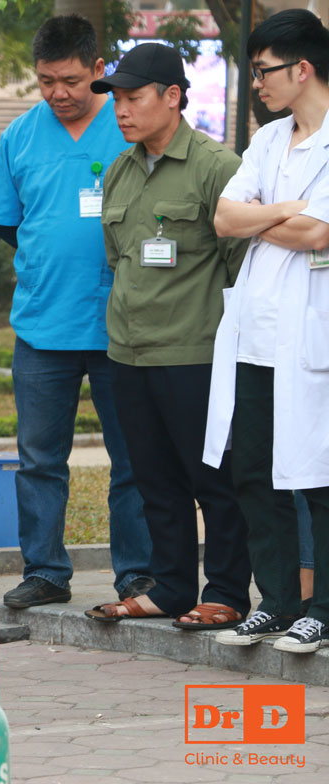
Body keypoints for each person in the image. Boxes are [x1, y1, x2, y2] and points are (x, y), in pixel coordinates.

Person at [0, 14, 153, 609]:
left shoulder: (129, 128)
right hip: (41, 328)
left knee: (132, 459)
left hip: (121, 326)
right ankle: (46, 572)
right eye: (47, 80)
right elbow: (5, 223)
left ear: (99, 71)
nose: (59, 92)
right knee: (39, 460)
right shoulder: (21, 136)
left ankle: (137, 574)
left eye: (72, 80)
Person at [84, 43, 250, 627]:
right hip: (128, 353)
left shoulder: (216, 166)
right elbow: (119, 258)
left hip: (195, 353)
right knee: (153, 479)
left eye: (133, 98)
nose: (121, 110)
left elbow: (241, 265)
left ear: (173, 97)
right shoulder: (122, 170)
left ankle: (228, 591)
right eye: (117, 101)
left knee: (214, 480)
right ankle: (173, 587)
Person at [206, 8, 329, 653]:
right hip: (255, 333)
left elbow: (321, 235)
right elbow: (225, 217)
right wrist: (282, 210)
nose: (257, 83)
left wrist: (264, 218)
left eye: (264, 71)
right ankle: (278, 601)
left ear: (301, 68)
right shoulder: (268, 140)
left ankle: (324, 608)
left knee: (317, 475)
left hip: (312, 336)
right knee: (253, 468)